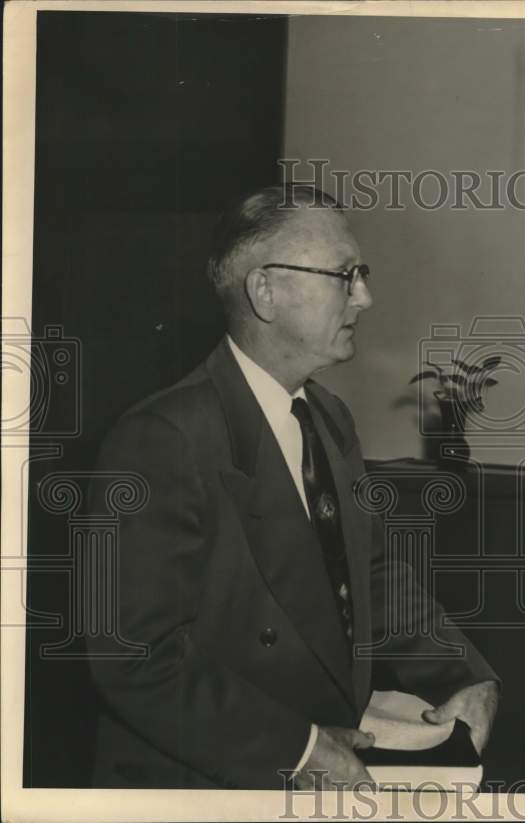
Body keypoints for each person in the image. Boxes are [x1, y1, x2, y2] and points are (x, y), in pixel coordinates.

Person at [86, 184, 499, 789]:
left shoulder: (327, 416)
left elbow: (371, 577)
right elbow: (136, 657)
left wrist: (463, 674)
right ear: (265, 291)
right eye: (344, 275)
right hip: (211, 783)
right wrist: (300, 749)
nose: (366, 296)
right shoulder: (164, 438)